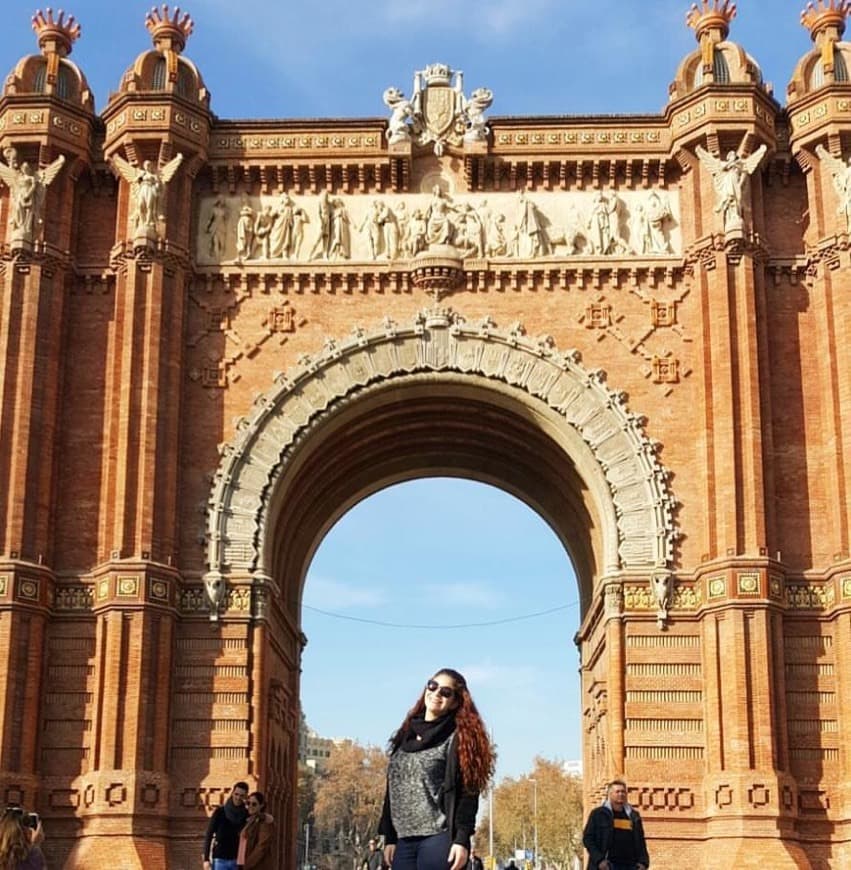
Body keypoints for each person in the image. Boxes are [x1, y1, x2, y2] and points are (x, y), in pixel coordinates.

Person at [378, 668, 495, 870]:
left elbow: (468, 793)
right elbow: (393, 789)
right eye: (432, 686)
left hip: (438, 838)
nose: (436, 693)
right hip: (403, 840)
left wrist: (461, 840)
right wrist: (389, 836)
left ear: (455, 702)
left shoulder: (457, 739)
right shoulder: (404, 735)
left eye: (446, 692)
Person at [582, 779, 649, 870]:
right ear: (610, 794)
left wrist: (643, 862)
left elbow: (641, 841)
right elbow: (588, 839)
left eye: (623, 792)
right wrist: (599, 860)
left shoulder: (633, 816)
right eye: (617, 792)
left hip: (630, 865)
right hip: (608, 865)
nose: (621, 794)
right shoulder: (598, 814)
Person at [203, 781, 249, 870]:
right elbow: (209, 834)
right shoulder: (220, 812)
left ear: (246, 797)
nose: (238, 798)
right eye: (236, 794)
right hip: (220, 859)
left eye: (241, 796)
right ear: (232, 793)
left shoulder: (246, 815)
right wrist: (206, 859)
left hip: (237, 861)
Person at [236, 790, 277, 870]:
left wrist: (247, 864)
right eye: (248, 803)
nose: (250, 806)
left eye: (254, 804)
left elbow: (262, 847)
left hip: (257, 866)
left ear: (261, 805)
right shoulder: (250, 821)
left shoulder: (265, 822)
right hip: (243, 864)